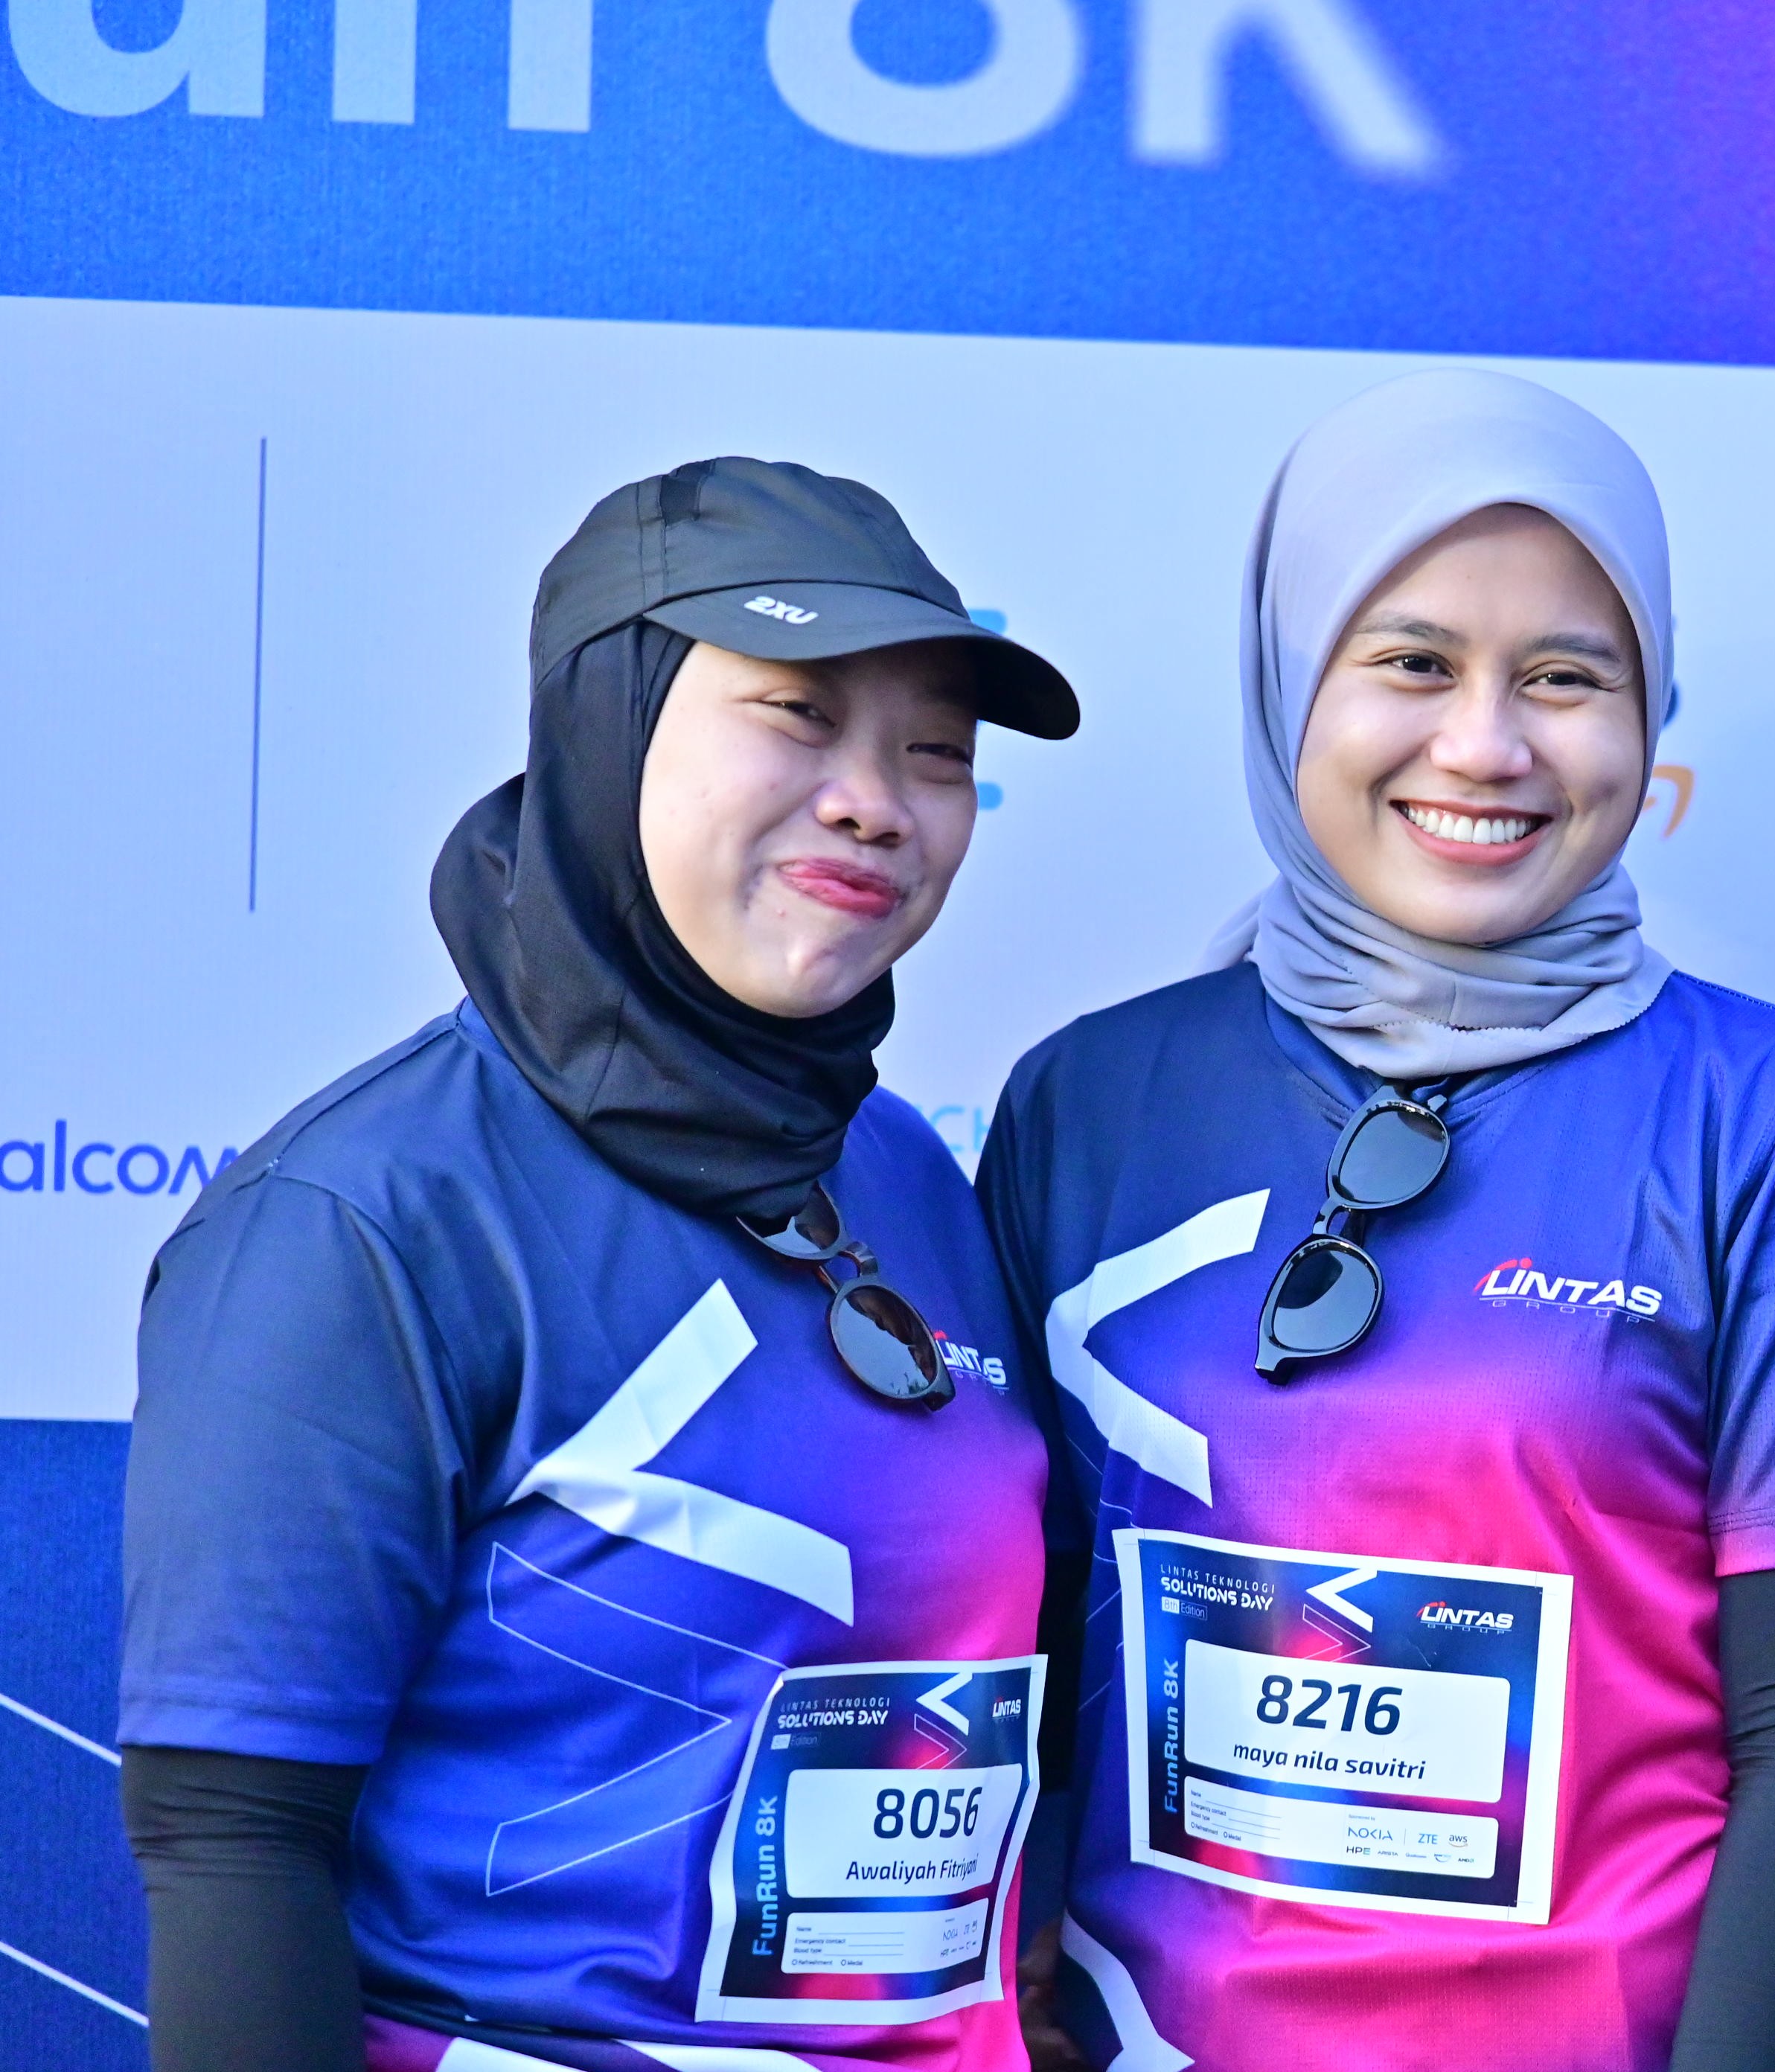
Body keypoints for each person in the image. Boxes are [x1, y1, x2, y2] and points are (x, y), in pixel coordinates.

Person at [977, 368, 1775, 2072]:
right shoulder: (1092, 1101)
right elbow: (1018, 1652)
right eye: (1413, 663)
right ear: (1289, 683)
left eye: (1565, 677)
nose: (1487, 746)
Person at [117, 458, 1078, 2072]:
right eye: (797, 716)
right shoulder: (362, 1218)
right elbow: (234, 1844)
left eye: (936, 751)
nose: (875, 800)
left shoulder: (910, 1171)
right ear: (605, 724)